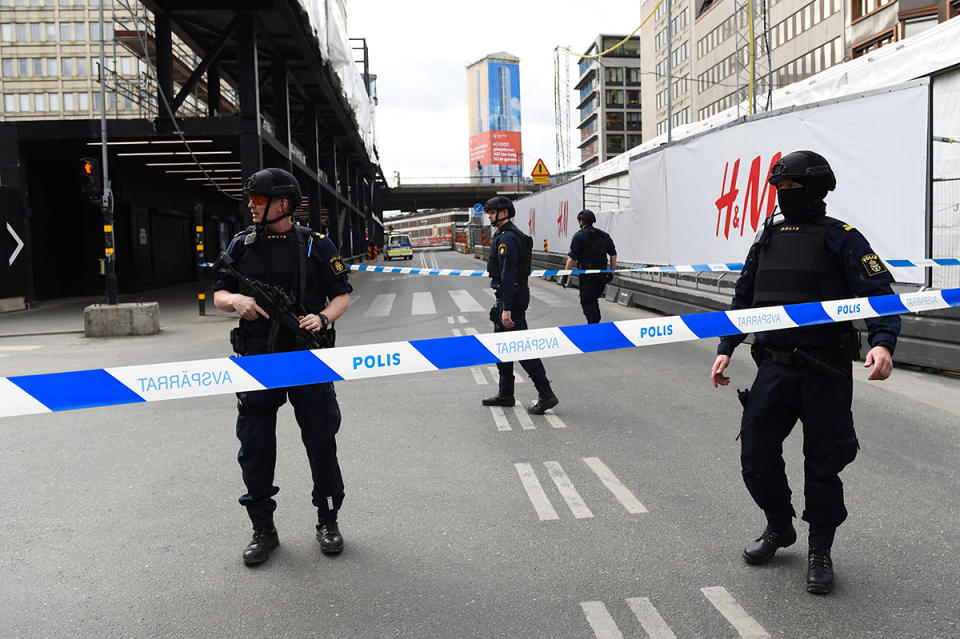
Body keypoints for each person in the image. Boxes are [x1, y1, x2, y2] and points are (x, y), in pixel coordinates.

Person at [708, 150, 900, 595]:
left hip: (824, 371)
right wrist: (726, 346)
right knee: (755, 457)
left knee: (823, 467)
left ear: (816, 188)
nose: (783, 195)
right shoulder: (767, 238)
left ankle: (820, 550)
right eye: (778, 188)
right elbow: (744, 298)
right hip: (773, 367)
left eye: (791, 188)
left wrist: (883, 343)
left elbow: (879, 296)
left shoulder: (843, 238)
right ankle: (780, 526)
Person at [213, 167, 352, 567]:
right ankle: (263, 530)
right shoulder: (242, 245)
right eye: (252, 199)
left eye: (259, 199)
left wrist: (323, 318)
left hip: (308, 359)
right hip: (257, 361)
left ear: (283, 204)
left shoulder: (317, 245)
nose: (252, 206)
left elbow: (341, 295)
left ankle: (328, 520)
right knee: (255, 447)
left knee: (321, 441)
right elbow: (218, 291)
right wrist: (235, 302)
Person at [481, 195, 559, 415]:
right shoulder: (509, 235)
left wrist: (506, 307)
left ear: (504, 213)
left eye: (492, 212)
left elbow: (508, 275)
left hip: (511, 298)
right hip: (511, 296)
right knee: (502, 346)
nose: (489, 216)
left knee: (522, 346)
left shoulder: (507, 239)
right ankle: (506, 394)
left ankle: (546, 394)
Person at [563, 209, 617, 323]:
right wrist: (611, 272)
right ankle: (594, 325)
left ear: (582, 221)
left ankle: (594, 328)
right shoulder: (604, 235)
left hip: (587, 277)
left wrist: (565, 276)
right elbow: (613, 254)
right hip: (602, 276)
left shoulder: (579, 236)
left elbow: (571, 259)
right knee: (593, 301)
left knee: (587, 302)